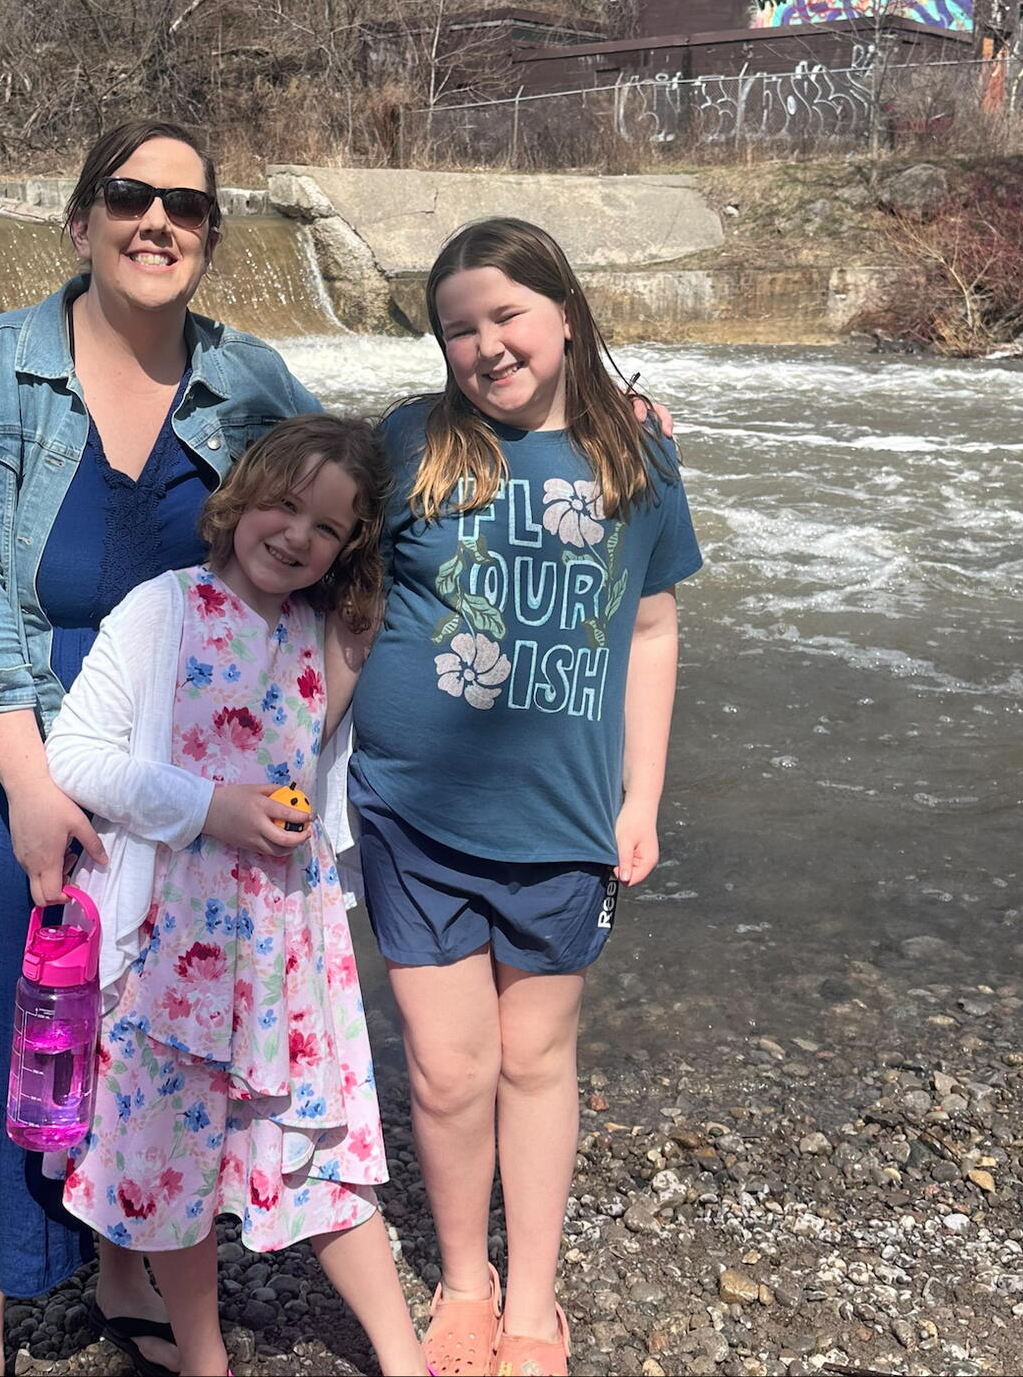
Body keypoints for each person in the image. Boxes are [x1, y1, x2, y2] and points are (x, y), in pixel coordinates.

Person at [0, 119, 318, 1377]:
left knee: (140, 1017)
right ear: (81, 219)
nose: (156, 222)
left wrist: (580, 412)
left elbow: (361, 490)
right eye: (129, 196)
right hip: (7, 747)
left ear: (208, 237)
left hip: (176, 763)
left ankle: (125, 1259)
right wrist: (30, 784)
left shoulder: (249, 383)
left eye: (185, 207)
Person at [333, 217, 702, 1377]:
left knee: (535, 1056)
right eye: (456, 329)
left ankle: (532, 1297)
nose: (484, 346)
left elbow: (650, 625)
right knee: (446, 1068)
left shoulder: (632, 457)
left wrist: (642, 793)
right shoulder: (407, 444)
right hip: (408, 812)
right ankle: (462, 1279)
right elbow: (331, 587)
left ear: (564, 315)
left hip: (560, 820)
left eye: (504, 316)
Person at [43, 415, 428, 1377]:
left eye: (329, 528)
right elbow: (73, 756)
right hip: (165, 944)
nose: (298, 536)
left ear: (351, 549)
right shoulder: (160, 610)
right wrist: (209, 806)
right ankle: (205, 1357)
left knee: (321, 1151)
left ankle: (403, 1357)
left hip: (283, 946)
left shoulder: (331, 635)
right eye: (285, 505)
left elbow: (430, 529)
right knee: (167, 1159)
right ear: (240, 495)